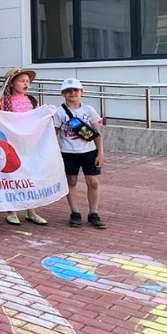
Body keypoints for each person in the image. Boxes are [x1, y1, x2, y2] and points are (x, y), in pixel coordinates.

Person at [52, 78, 107, 229]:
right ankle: (74, 212)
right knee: (71, 180)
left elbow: (97, 133)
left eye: (76, 90)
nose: (72, 93)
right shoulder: (59, 112)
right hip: (68, 152)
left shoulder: (89, 110)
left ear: (82, 92)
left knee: (93, 182)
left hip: (89, 151)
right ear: (63, 94)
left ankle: (93, 213)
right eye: (68, 91)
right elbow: (54, 134)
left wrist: (100, 152)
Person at [0, 67, 48, 226]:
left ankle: (31, 211)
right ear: (12, 83)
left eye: (27, 81)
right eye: (22, 81)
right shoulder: (4, 101)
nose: (25, 84)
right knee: (12, 176)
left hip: (30, 144)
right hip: (12, 143)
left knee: (30, 176)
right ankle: (11, 211)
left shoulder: (32, 100)